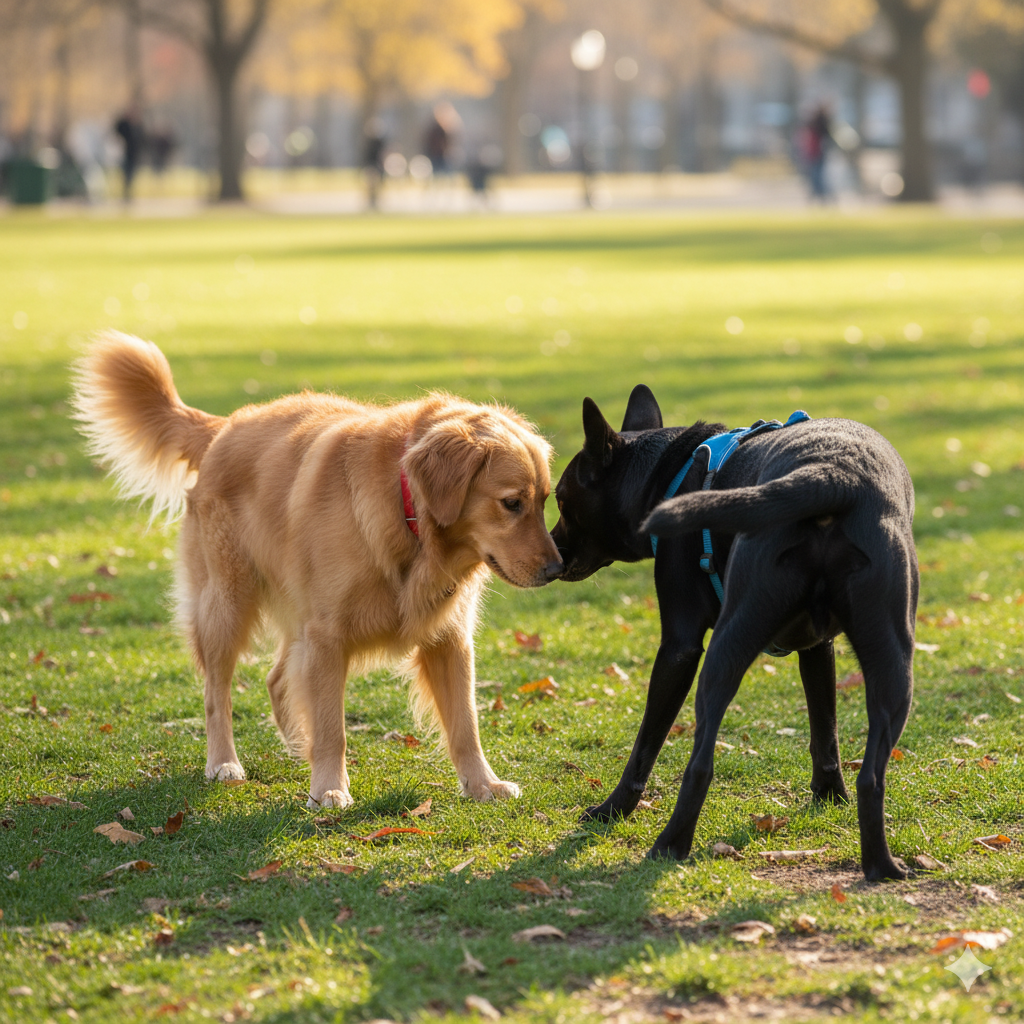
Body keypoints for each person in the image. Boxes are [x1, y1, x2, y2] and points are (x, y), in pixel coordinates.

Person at [114, 103, 145, 201]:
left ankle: (128, 193)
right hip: (123, 153)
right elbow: (116, 134)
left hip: (134, 154)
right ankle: (125, 194)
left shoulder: (138, 125)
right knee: (125, 174)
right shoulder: (123, 124)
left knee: (131, 174)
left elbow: (142, 139)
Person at [801, 104, 832, 202]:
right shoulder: (818, 123)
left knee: (816, 175)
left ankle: (818, 195)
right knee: (817, 175)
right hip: (815, 152)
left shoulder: (816, 124)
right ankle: (818, 195)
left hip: (815, 152)